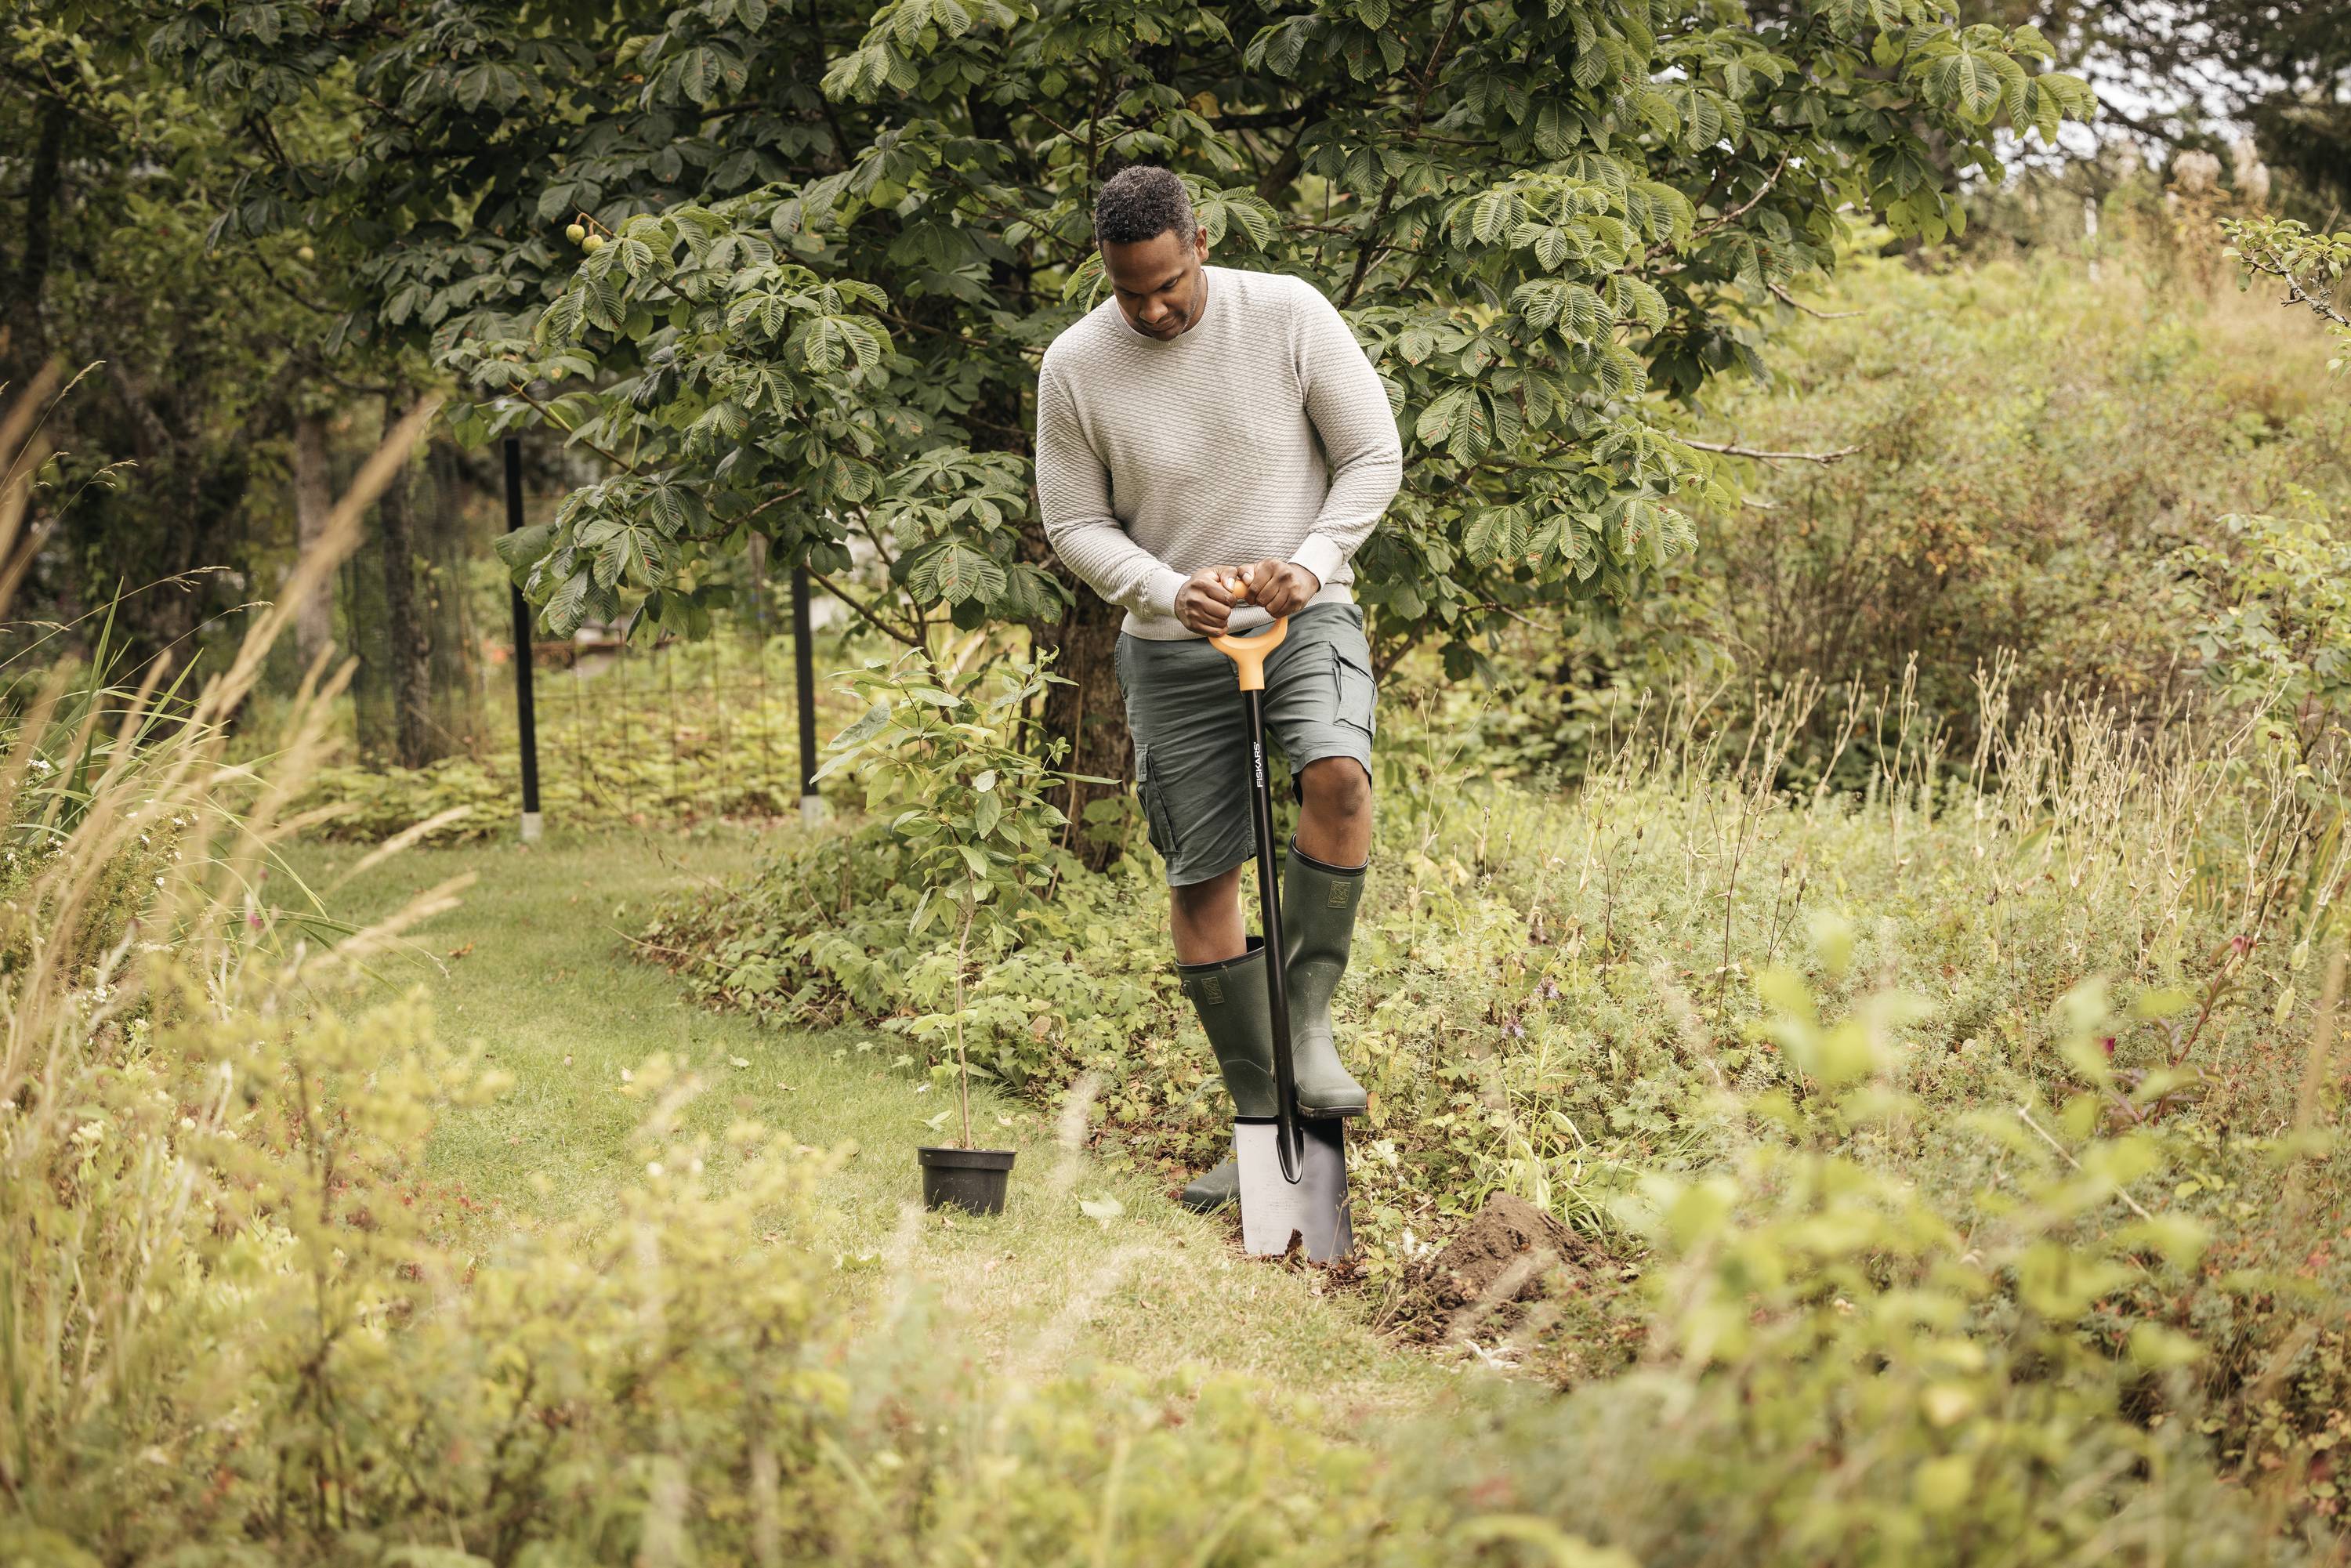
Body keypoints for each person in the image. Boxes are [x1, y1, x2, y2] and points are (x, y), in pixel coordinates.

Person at [1035, 164, 1404, 1212]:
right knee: (1204, 881)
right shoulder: (1075, 367)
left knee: (1338, 771)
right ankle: (1266, 1146)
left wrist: (1316, 558)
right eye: (1128, 293)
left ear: (1200, 240)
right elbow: (1073, 522)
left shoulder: (1286, 313)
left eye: (1167, 285)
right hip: (1170, 644)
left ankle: (1307, 1024)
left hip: (1302, 612)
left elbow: (1373, 453)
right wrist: (1161, 585)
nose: (1152, 309)